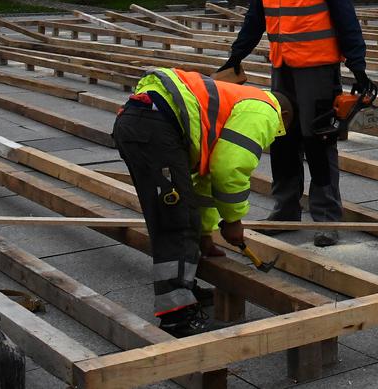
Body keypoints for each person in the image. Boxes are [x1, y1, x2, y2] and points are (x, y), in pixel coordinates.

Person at [218, 0, 374, 247]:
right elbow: (256, 15)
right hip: (282, 65)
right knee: (283, 140)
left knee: (318, 140)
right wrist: (236, 55)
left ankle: (327, 218)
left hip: (317, 68)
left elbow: (345, 19)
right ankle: (285, 210)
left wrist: (357, 66)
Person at [112, 67, 289, 337]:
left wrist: (206, 234)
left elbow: (205, 182)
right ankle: (178, 317)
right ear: (284, 115)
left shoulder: (239, 101)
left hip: (143, 122)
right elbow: (229, 168)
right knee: (176, 220)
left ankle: (184, 288)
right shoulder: (265, 109)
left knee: (179, 212)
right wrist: (232, 221)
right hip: (156, 125)